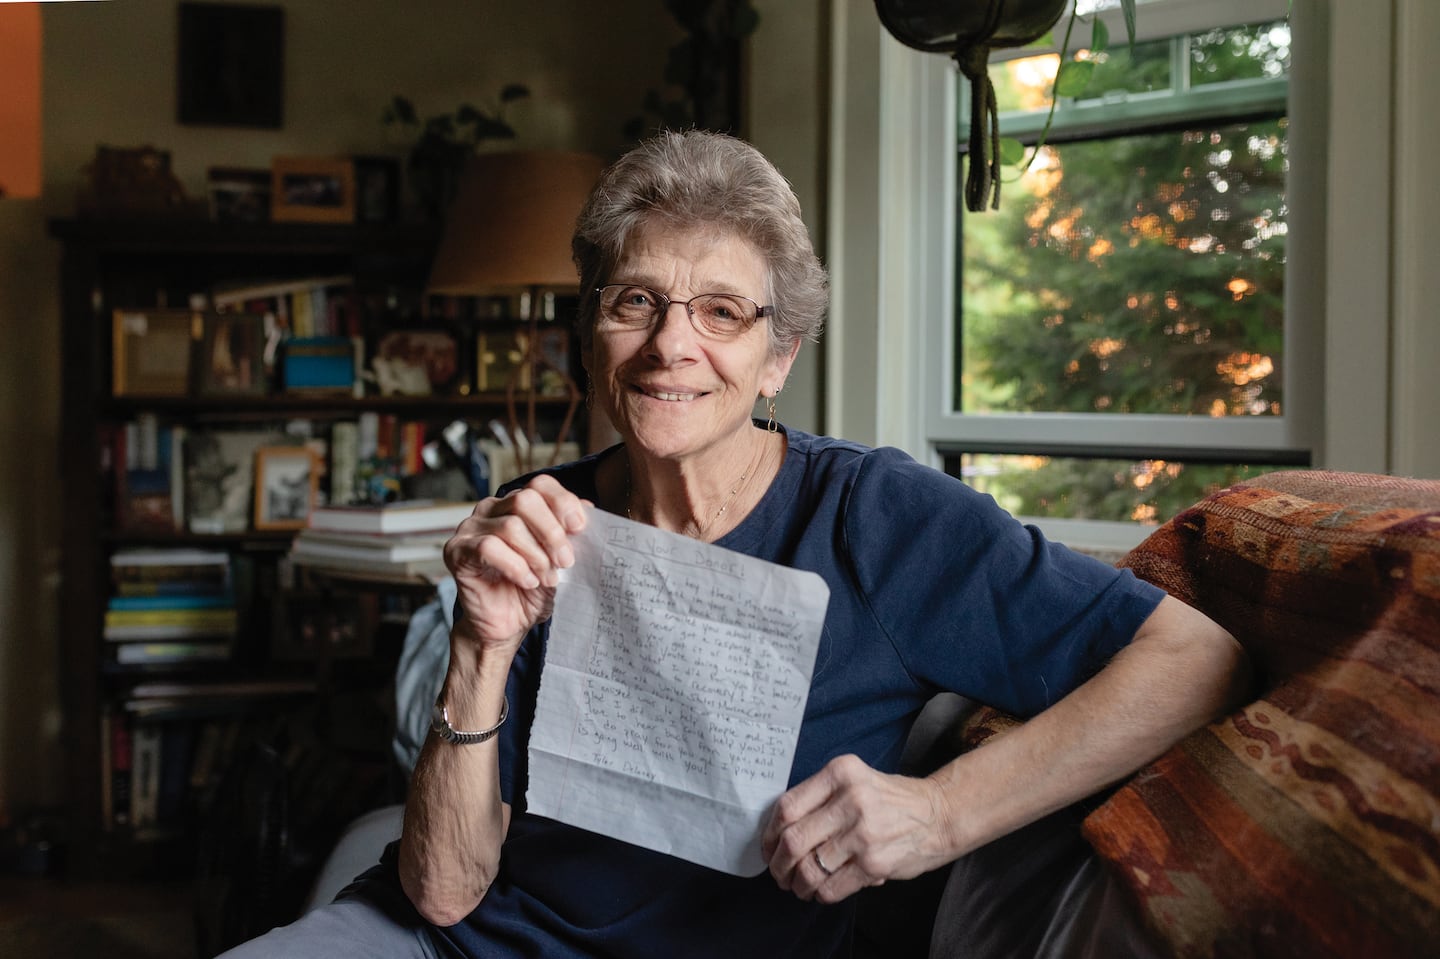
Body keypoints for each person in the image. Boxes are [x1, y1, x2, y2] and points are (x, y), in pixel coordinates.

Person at [218, 130, 1249, 958]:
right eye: (636, 302)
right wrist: (480, 645)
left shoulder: (872, 515)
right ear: (591, 337)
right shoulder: (539, 514)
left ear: (777, 356)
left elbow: (1194, 657)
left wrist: (939, 813)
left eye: (722, 312)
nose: (674, 345)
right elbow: (443, 890)